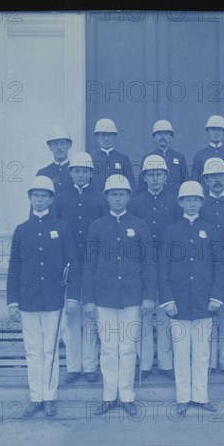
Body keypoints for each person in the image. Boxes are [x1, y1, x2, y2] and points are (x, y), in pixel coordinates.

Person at [81, 175, 157, 416]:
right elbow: (89, 264)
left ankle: (126, 396)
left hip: (132, 296)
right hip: (103, 297)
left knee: (127, 348)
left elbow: (149, 263)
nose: (117, 198)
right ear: (107, 197)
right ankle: (108, 395)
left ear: (128, 197)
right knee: (107, 348)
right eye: (113, 194)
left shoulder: (140, 224)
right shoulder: (97, 226)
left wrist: (148, 296)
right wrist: (88, 299)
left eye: (122, 194)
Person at [7, 175, 80, 418]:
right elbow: (14, 267)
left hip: (54, 298)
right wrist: (13, 301)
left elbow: (73, 264)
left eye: (44, 196)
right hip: (28, 298)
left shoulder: (61, 227)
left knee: (50, 348)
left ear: (51, 199)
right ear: (30, 198)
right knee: (33, 349)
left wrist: (71, 297)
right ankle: (35, 397)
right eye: (35, 195)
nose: (39, 200)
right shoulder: (22, 230)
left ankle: (49, 397)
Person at [159, 181, 224, 415]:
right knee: (180, 352)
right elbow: (163, 268)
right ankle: (182, 397)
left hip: (203, 301)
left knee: (202, 352)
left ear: (201, 202)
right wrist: (167, 300)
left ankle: (201, 396)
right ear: (180, 203)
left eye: (195, 199)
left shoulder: (210, 230)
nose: (191, 203)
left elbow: (220, 266)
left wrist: (216, 297)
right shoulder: (172, 231)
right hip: (178, 302)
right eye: (187, 199)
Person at [52, 152, 106, 384]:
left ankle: (90, 366)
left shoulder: (100, 198)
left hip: (94, 265)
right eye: (77, 171)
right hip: (70, 265)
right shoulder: (62, 199)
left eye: (85, 171)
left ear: (91, 174)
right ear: (71, 173)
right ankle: (74, 367)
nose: (81, 174)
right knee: (72, 318)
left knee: (91, 317)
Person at [130, 155, 181, 380]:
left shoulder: (174, 201)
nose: (155, 178)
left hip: (168, 263)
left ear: (166, 177)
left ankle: (166, 363)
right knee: (143, 315)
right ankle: (145, 363)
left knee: (164, 314)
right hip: (142, 264)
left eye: (159, 174)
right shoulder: (135, 202)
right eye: (151, 174)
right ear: (144, 177)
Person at [198, 158, 224, 376]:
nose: (217, 180)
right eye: (212, 176)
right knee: (205, 318)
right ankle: (207, 361)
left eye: (221, 176)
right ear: (205, 180)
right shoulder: (199, 204)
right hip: (204, 268)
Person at [138, 119, 189, 195]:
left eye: (166, 133)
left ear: (171, 138)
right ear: (154, 138)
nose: (162, 136)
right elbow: (142, 185)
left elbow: (185, 183)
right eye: (159, 134)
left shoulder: (179, 157)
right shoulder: (147, 158)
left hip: (175, 199)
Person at [90, 118, 135, 194]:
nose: (106, 139)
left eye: (109, 135)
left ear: (114, 137)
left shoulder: (123, 158)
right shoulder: (92, 159)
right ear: (97, 138)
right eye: (103, 135)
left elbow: (131, 183)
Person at [190, 115, 224, 184]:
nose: (216, 132)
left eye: (219, 130)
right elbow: (195, 180)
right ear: (207, 133)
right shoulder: (200, 155)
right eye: (213, 129)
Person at [37, 127, 74, 196]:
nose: (59, 147)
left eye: (62, 143)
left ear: (69, 145)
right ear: (50, 147)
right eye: (55, 144)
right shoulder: (43, 173)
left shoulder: (75, 171)